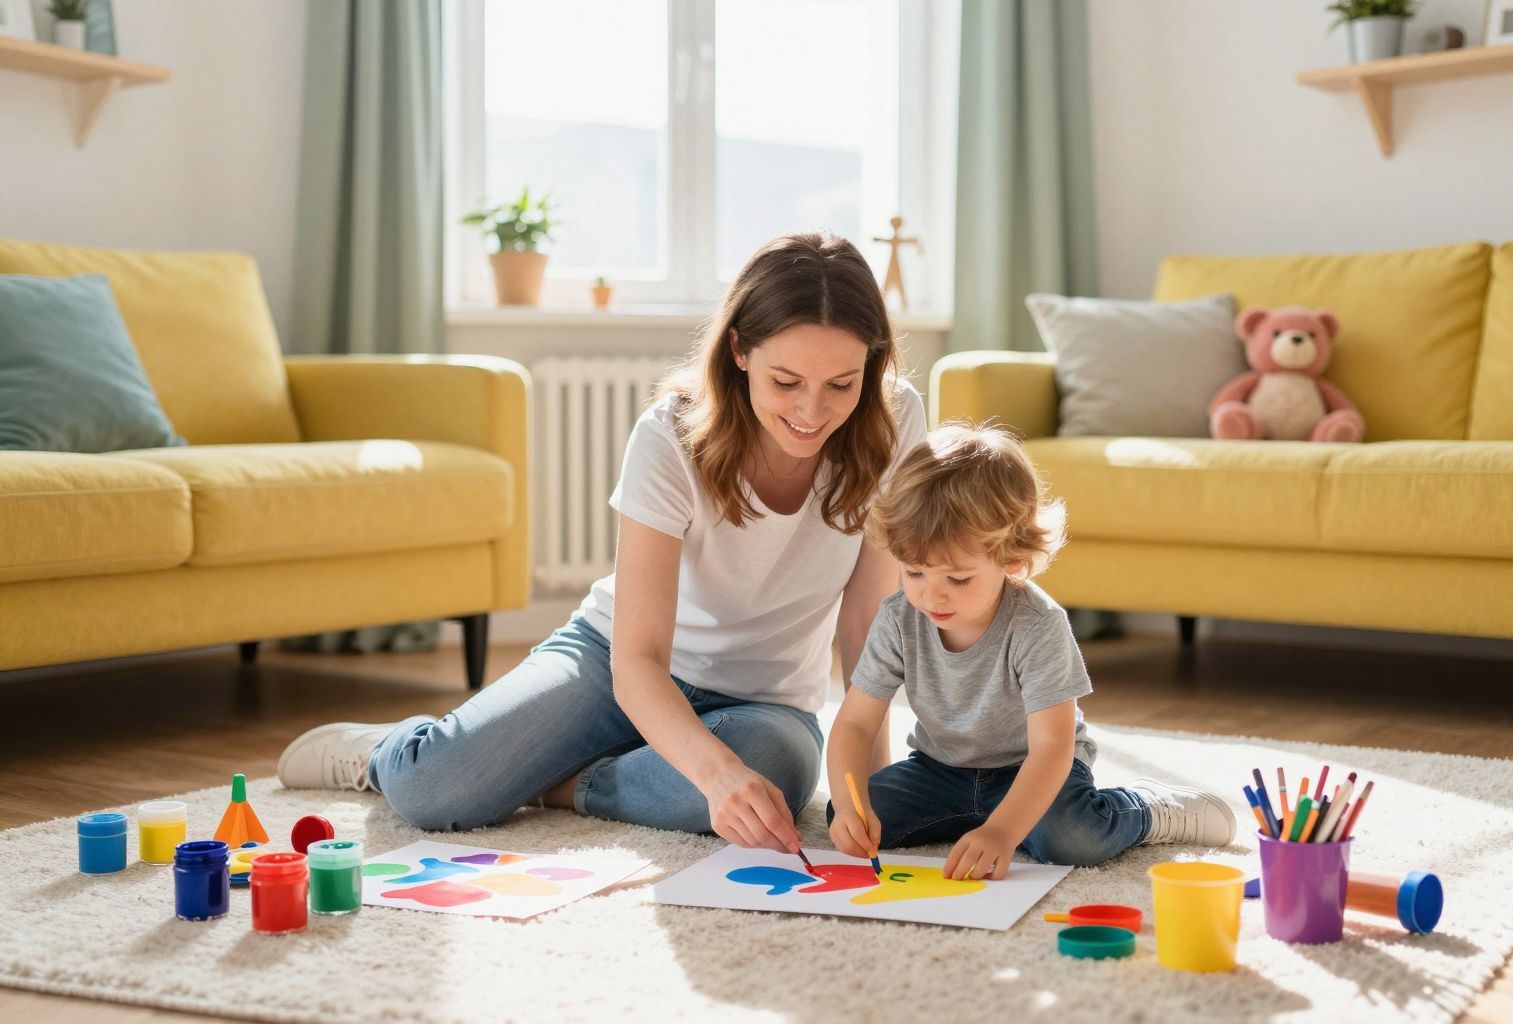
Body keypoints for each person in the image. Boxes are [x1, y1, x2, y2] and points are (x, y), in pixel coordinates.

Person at [278, 232, 927, 855]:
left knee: (774, 772)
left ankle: (561, 784)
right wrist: (712, 775)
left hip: (762, 702)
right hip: (613, 663)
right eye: (786, 382)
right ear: (739, 351)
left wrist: (866, 792)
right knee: (432, 789)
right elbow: (638, 659)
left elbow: (867, 623)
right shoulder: (670, 436)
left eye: (841, 385)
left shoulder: (894, 422)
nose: (812, 412)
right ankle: (386, 751)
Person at [825, 424, 1236, 879]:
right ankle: (978, 821)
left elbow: (1052, 748)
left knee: (1073, 837)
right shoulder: (899, 617)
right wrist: (849, 805)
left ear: (1012, 559)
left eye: (958, 579)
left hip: (1033, 768)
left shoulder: (1038, 624)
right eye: (914, 572)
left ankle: (1145, 808)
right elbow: (856, 723)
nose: (931, 597)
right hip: (940, 768)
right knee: (850, 818)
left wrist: (1003, 831)